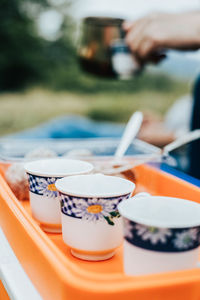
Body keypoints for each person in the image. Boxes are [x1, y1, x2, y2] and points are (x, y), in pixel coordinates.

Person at [123, 11, 200, 178]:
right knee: (66, 127)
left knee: (64, 130)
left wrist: (173, 137)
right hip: (172, 131)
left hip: (178, 157)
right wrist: (162, 124)